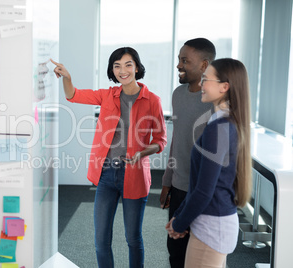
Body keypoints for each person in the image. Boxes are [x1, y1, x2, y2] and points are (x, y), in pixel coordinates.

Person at [51, 47, 167, 268]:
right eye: (117, 66)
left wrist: (142, 153)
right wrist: (67, 77)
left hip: (134, 176)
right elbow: (72, 95)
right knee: (101, 240)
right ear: (112, 70)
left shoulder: (152, 100)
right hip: (107, 174)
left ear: (137, 67)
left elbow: (161, 140)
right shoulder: (107, 95)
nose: (122, 70)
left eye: (127, 64)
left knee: (133, 239)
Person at [165, 58, 252, 267]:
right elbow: (200, 184)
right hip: (214, 222)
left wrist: (180, 223)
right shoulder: (222, 122)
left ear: (225, 86)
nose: (201, 85)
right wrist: (180, 216)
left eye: (206, 80)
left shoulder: (219, 128)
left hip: (212, 227)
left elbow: (204, 190)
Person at [160, 38, 216, 267]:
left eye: (185, 60)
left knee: (201, 254)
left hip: (204, 191)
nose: (179, 65)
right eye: (178, 60)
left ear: (204, 65)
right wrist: (167, 182)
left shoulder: (215, 101)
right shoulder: (177, 94)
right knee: (175, 250)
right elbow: (177, 141)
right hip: (180, 187)